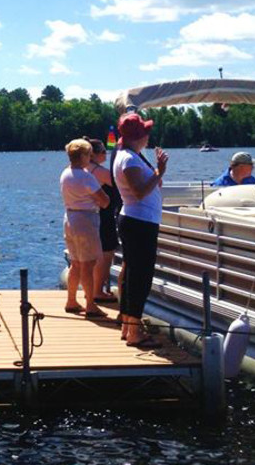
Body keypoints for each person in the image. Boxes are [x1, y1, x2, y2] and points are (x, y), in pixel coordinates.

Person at [112, 112, 168, 349]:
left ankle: (128, 325)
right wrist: (159, 171)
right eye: (145, 132)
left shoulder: (130, 155)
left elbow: (146, 187)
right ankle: (134, 330)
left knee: (134, 274)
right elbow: (139, 191)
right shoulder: (130, 160)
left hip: (137, 221)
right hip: (139, 223)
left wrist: (155, 174)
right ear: (139, 136)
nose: (148, 136)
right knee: (140, 277)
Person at [60, 138, 110, 318]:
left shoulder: (65, 173)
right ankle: (90, 305)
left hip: (69, 218)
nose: (90, 157)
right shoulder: (86, 176)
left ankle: (71, 300)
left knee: (75, 263)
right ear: (82, 156)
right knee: (88, 265)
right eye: (89, 154)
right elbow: (104, 201)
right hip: (85, 220)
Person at [84, 137, 120, 303]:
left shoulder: (83, 169)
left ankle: (90, 290)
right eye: (104, 151)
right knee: (106, 255)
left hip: (90, 216)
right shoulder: (99, 171)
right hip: (104, 217)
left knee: (93, 256)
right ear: (94, 155)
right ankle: (97, 291)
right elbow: (120, 183)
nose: (107, 154)